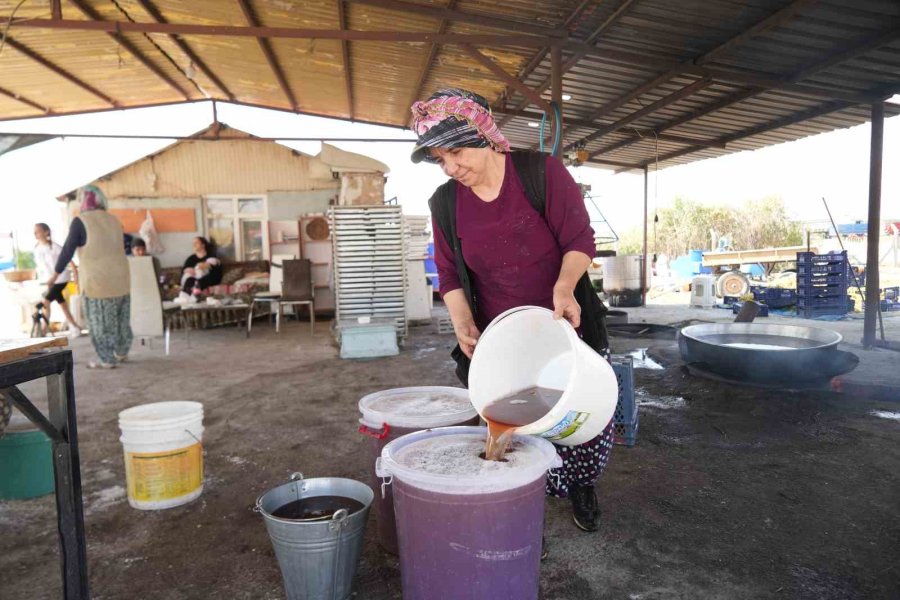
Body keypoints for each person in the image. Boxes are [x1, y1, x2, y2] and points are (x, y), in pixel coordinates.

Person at [412, 88, 613, 535]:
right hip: (502, 335)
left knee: (579, 413)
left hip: (565, 321)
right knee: (515, 418)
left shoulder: (540, 174)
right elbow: (447, 274)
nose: (450, 167)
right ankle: (527, 501)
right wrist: (464, 323)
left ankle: (582, 485)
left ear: (483, 135)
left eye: (456, 152)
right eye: (440, 160)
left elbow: (580, 241)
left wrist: (565, 288)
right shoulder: (445, 203)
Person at [49, 185, 132, 369]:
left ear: (83, 200)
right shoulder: (114, 220)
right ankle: (122, 352)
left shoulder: (81, 221)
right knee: (120, 318)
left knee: (99, 321)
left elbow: (67, 251)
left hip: (98, 281)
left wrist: (55, 275)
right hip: (121, 278)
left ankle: (106, 358)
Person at [33, 223, 82, 337]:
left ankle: (43, 332)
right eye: (34, 232)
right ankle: (75, 326)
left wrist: (75, 276)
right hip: (49, 281)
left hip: (61, 279)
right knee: (62, 304)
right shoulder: (37, 249)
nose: (35, 234)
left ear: (46, 232)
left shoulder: (55, 247)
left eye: (38, 231)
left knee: (46, 302)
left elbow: (69, 260)